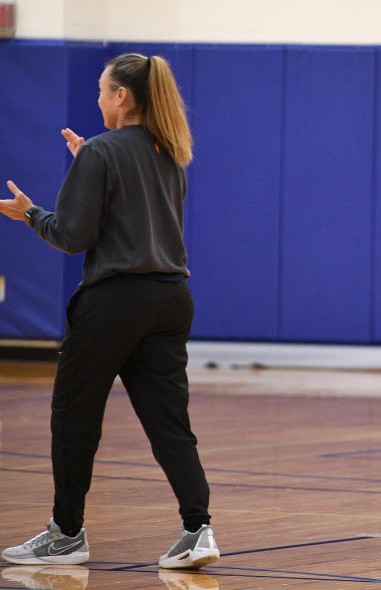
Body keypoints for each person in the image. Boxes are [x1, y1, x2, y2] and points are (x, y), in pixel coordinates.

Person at [0, 53, 220, 570]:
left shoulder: (101, 152)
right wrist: (88, 162)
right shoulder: (170, 151)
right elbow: (129, 203)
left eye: (103, 91)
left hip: (114, 302)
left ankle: (67, 534)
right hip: (170, 298)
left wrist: (30, 213)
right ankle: (198, 529)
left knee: (74, 417)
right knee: (168, 422)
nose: (99, 100)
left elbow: (73, 235)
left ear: (122, 95)